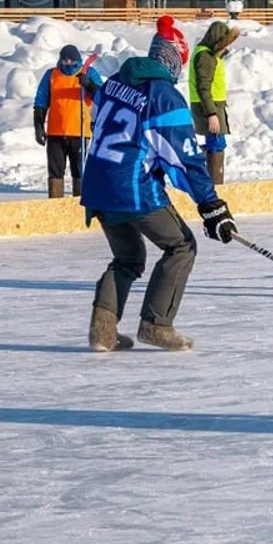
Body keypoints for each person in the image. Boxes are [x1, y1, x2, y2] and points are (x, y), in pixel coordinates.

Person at [80, 32, 238, 353]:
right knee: (181, 246)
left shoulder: (113, 83)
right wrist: (211, 205)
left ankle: (103, 332)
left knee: (127, 257)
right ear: (172, 61)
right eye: (179, 62)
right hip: (133, 188)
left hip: (97, 183)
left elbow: (99, 121)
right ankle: (156, 324)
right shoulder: (163, 95)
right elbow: (184, 157)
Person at [33, 44, 103, 198]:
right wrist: (38, 126)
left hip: (79, 132)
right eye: (65, 62)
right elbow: (41, 102)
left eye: (72, 62)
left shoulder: (89, 73)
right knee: (55, 171)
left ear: (78, 60)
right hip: (55, 132)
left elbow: (103, 97)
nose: (69, 65)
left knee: (79, 171)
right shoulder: (51, 75)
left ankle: (79, 203)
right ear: (60, 60)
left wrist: (90, 85)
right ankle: (55, 203)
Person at [188, 20, 239, 185]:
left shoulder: (208, 54)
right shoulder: (205, 56)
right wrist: (211, 114)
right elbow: (204, 87)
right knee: (217, 144)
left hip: (213, 106)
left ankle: (204, 171)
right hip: (209, 107)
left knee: (215, 143)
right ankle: (214, 186)